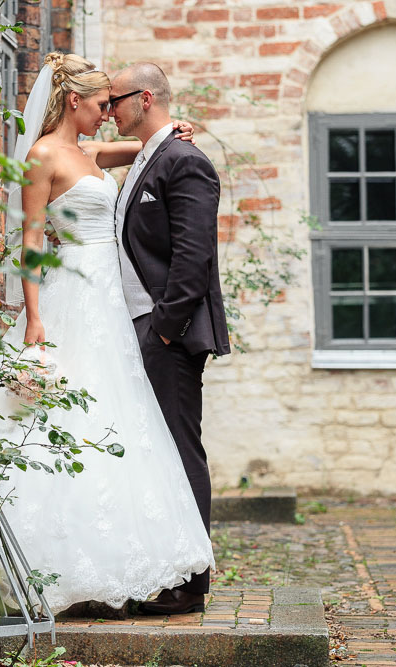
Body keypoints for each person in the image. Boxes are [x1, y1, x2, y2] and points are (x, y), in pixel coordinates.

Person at [0, 52, 214, 614]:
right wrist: (35, 316)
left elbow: (150, 147)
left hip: (112, 301)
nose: (106, 115)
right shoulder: (43, 156)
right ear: (74, 101)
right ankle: (61, 566)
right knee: (65, 417)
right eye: (99, 105)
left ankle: (118, 562)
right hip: (71, 296)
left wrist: (178, 128)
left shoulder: (90, 153)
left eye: (113, 105)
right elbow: (33, 241)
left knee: (119, 419)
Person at [109, 62, 231, 616]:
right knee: (155, 453)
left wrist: (162, 329)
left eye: (116, 100)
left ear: (146, 97)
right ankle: (167, 567)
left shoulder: (186, 161)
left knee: (182, 452)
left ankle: (191, 584)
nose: (110, 110)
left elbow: (193, 256)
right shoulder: (148, 156)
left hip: (167, 336)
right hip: (135, 328)